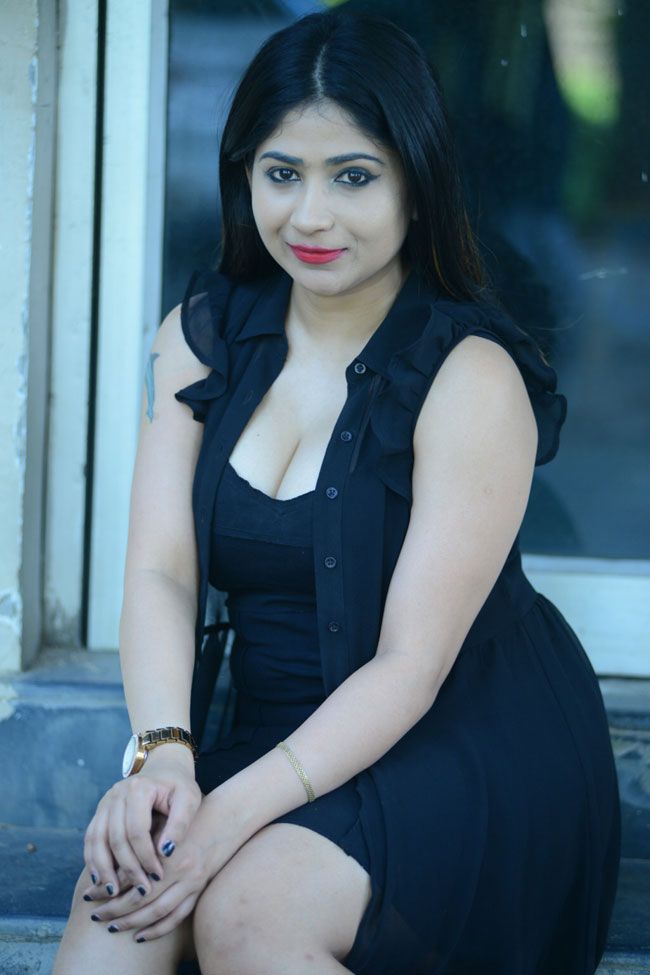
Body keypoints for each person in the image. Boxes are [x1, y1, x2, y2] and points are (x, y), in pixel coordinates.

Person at [53, 10, 621, 975]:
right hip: (271, 730)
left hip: (459, 742)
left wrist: (226, 814)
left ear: (416, 183)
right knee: (124, 908)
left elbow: (410, 665)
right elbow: (160, 571)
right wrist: (166, 756)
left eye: (353, 177)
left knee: (244, 913)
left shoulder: (470, 375)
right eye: (282, 173)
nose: (310, 216)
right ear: (245, 176)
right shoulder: (199, 339)